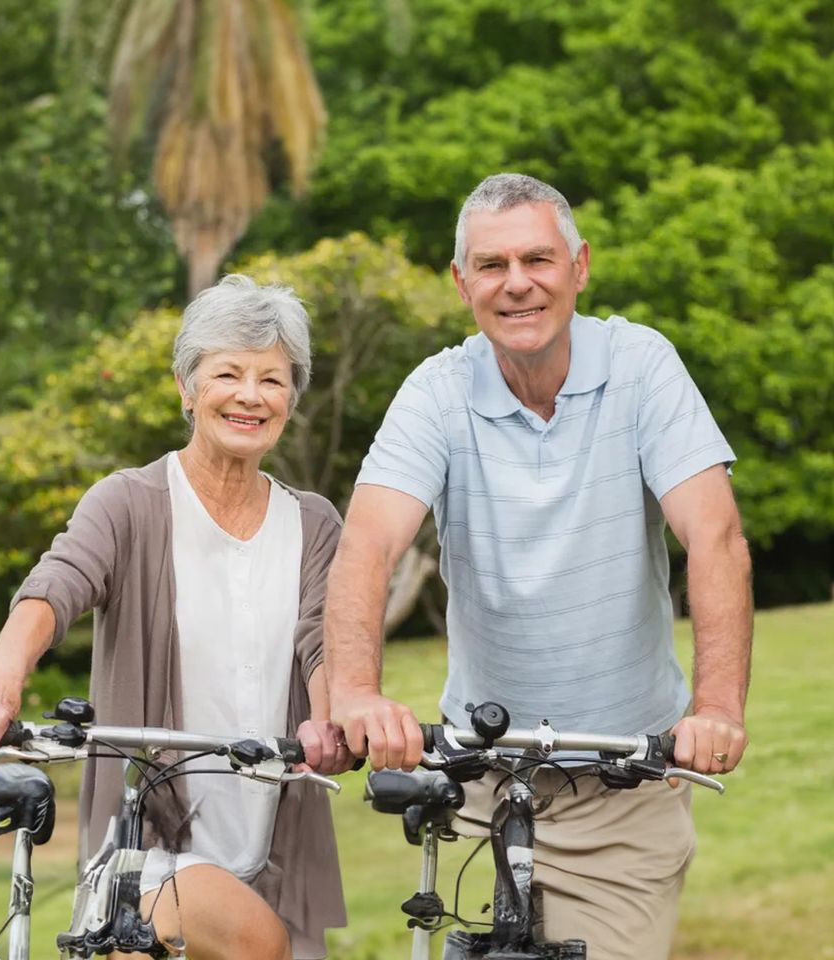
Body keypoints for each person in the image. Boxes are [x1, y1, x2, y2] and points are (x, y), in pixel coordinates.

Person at [324, 173, 752, 960]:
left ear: (579, 267)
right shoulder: (438, 392)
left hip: (624, 784)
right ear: (462, 283)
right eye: (491, 265)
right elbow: (369, 545)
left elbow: (716, 535)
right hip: (481, 780)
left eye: (538, 259)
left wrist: (718, 705)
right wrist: (354, 691)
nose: (516, 283)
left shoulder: (641, 365)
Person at [0, 275, 352, 960]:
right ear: (186, 388)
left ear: (291, 400)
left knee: (268, 933)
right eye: (228, 373)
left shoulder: (315, 524)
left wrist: (328, 723)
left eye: (272, 380)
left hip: (275, 847)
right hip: (149, 849)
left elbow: (325, 643)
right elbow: (55, 585)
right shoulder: (129, 503)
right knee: (254, 941)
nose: (250, 395)